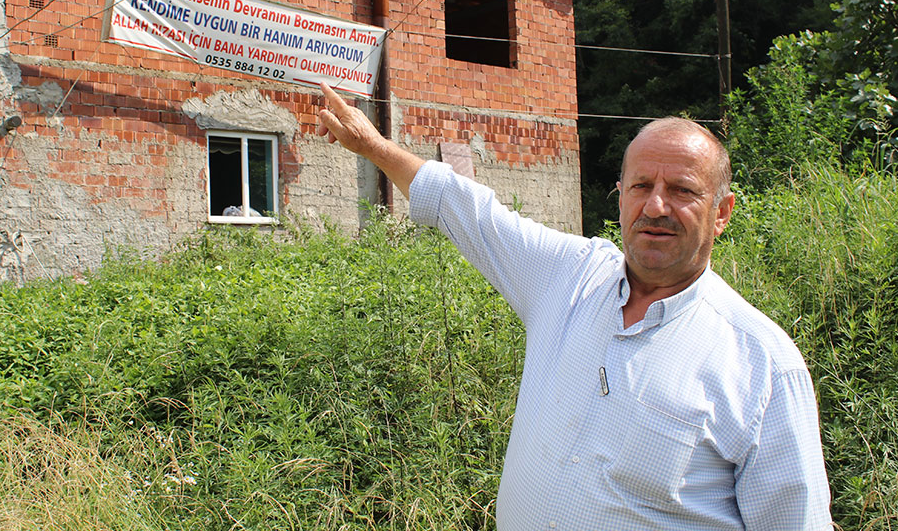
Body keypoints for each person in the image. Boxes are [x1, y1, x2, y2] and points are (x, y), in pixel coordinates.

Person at [316, 83, 832, 530]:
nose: (655, 206)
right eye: (641, 187)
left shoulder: (763, 365)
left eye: (682, 191)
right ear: (620, 196)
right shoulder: (570, 276)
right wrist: (373, 146)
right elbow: (468, 210)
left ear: (721, 213)